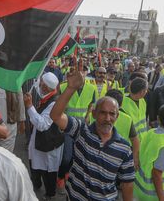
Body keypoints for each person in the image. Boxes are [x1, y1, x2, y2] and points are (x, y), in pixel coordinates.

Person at [50, 67, 135, 201]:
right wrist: (70, 88)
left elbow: (127, 183)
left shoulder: (124, 149)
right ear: (94, 114)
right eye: (103, 113)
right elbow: (55, 116)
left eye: (112, 114)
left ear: (117, 116)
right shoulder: (81, 131)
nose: (107, 118)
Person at [24, 72, 63, 200]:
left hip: (49, 145)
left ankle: (50, 194)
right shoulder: (47, 96)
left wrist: (29, 106)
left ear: (45, 87)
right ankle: (36, 185)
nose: (39, 85)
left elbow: (43, 124)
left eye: (41, 84)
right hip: (39, 142)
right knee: (35, 167)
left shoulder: (54, 102)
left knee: (48, 172)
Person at [134, 104, 164, 201]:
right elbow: (157, 174)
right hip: (152, 195)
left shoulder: (151, 132)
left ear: (158, 118)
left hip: (140, 188)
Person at [0, 81, 26, 152]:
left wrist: (22, 121)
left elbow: (20, 99)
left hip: (10, 124)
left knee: (6, 155)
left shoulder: (14, 80)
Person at [121, 78, 149, 142]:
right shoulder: (123, 103)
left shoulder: (142, 101)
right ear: (142, 92)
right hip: (129, 142)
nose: (146, 92)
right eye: (146, 90)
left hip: (142, 139)